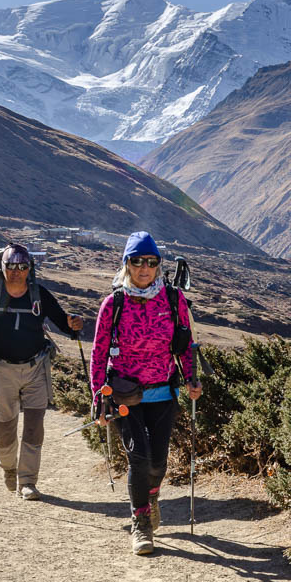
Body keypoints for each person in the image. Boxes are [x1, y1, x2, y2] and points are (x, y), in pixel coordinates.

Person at [90, 231, 202, 555]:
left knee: (158, 461)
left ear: (158, 265)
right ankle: (140, 523)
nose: (144, 268)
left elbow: (184, 345)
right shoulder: (113, 304)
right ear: (127, 264)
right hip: (125, 395)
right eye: (137, 261)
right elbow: (99, 355)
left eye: (151, 262)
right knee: (138, 459)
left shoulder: (173, 299)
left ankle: (151, 495)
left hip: (163, 393)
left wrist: (192, 379)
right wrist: (99, 397)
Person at [0, 243, 84, 501]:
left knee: (34, 427)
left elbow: (63, 323)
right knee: (3, 429)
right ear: (2, 268)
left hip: (36, 367)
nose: (17, 272)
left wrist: (74, 324)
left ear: (30, 268)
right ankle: (9, 467)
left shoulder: (39, 294)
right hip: (0, 368)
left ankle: (28, 481)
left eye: (22, 267)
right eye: (11, 267)